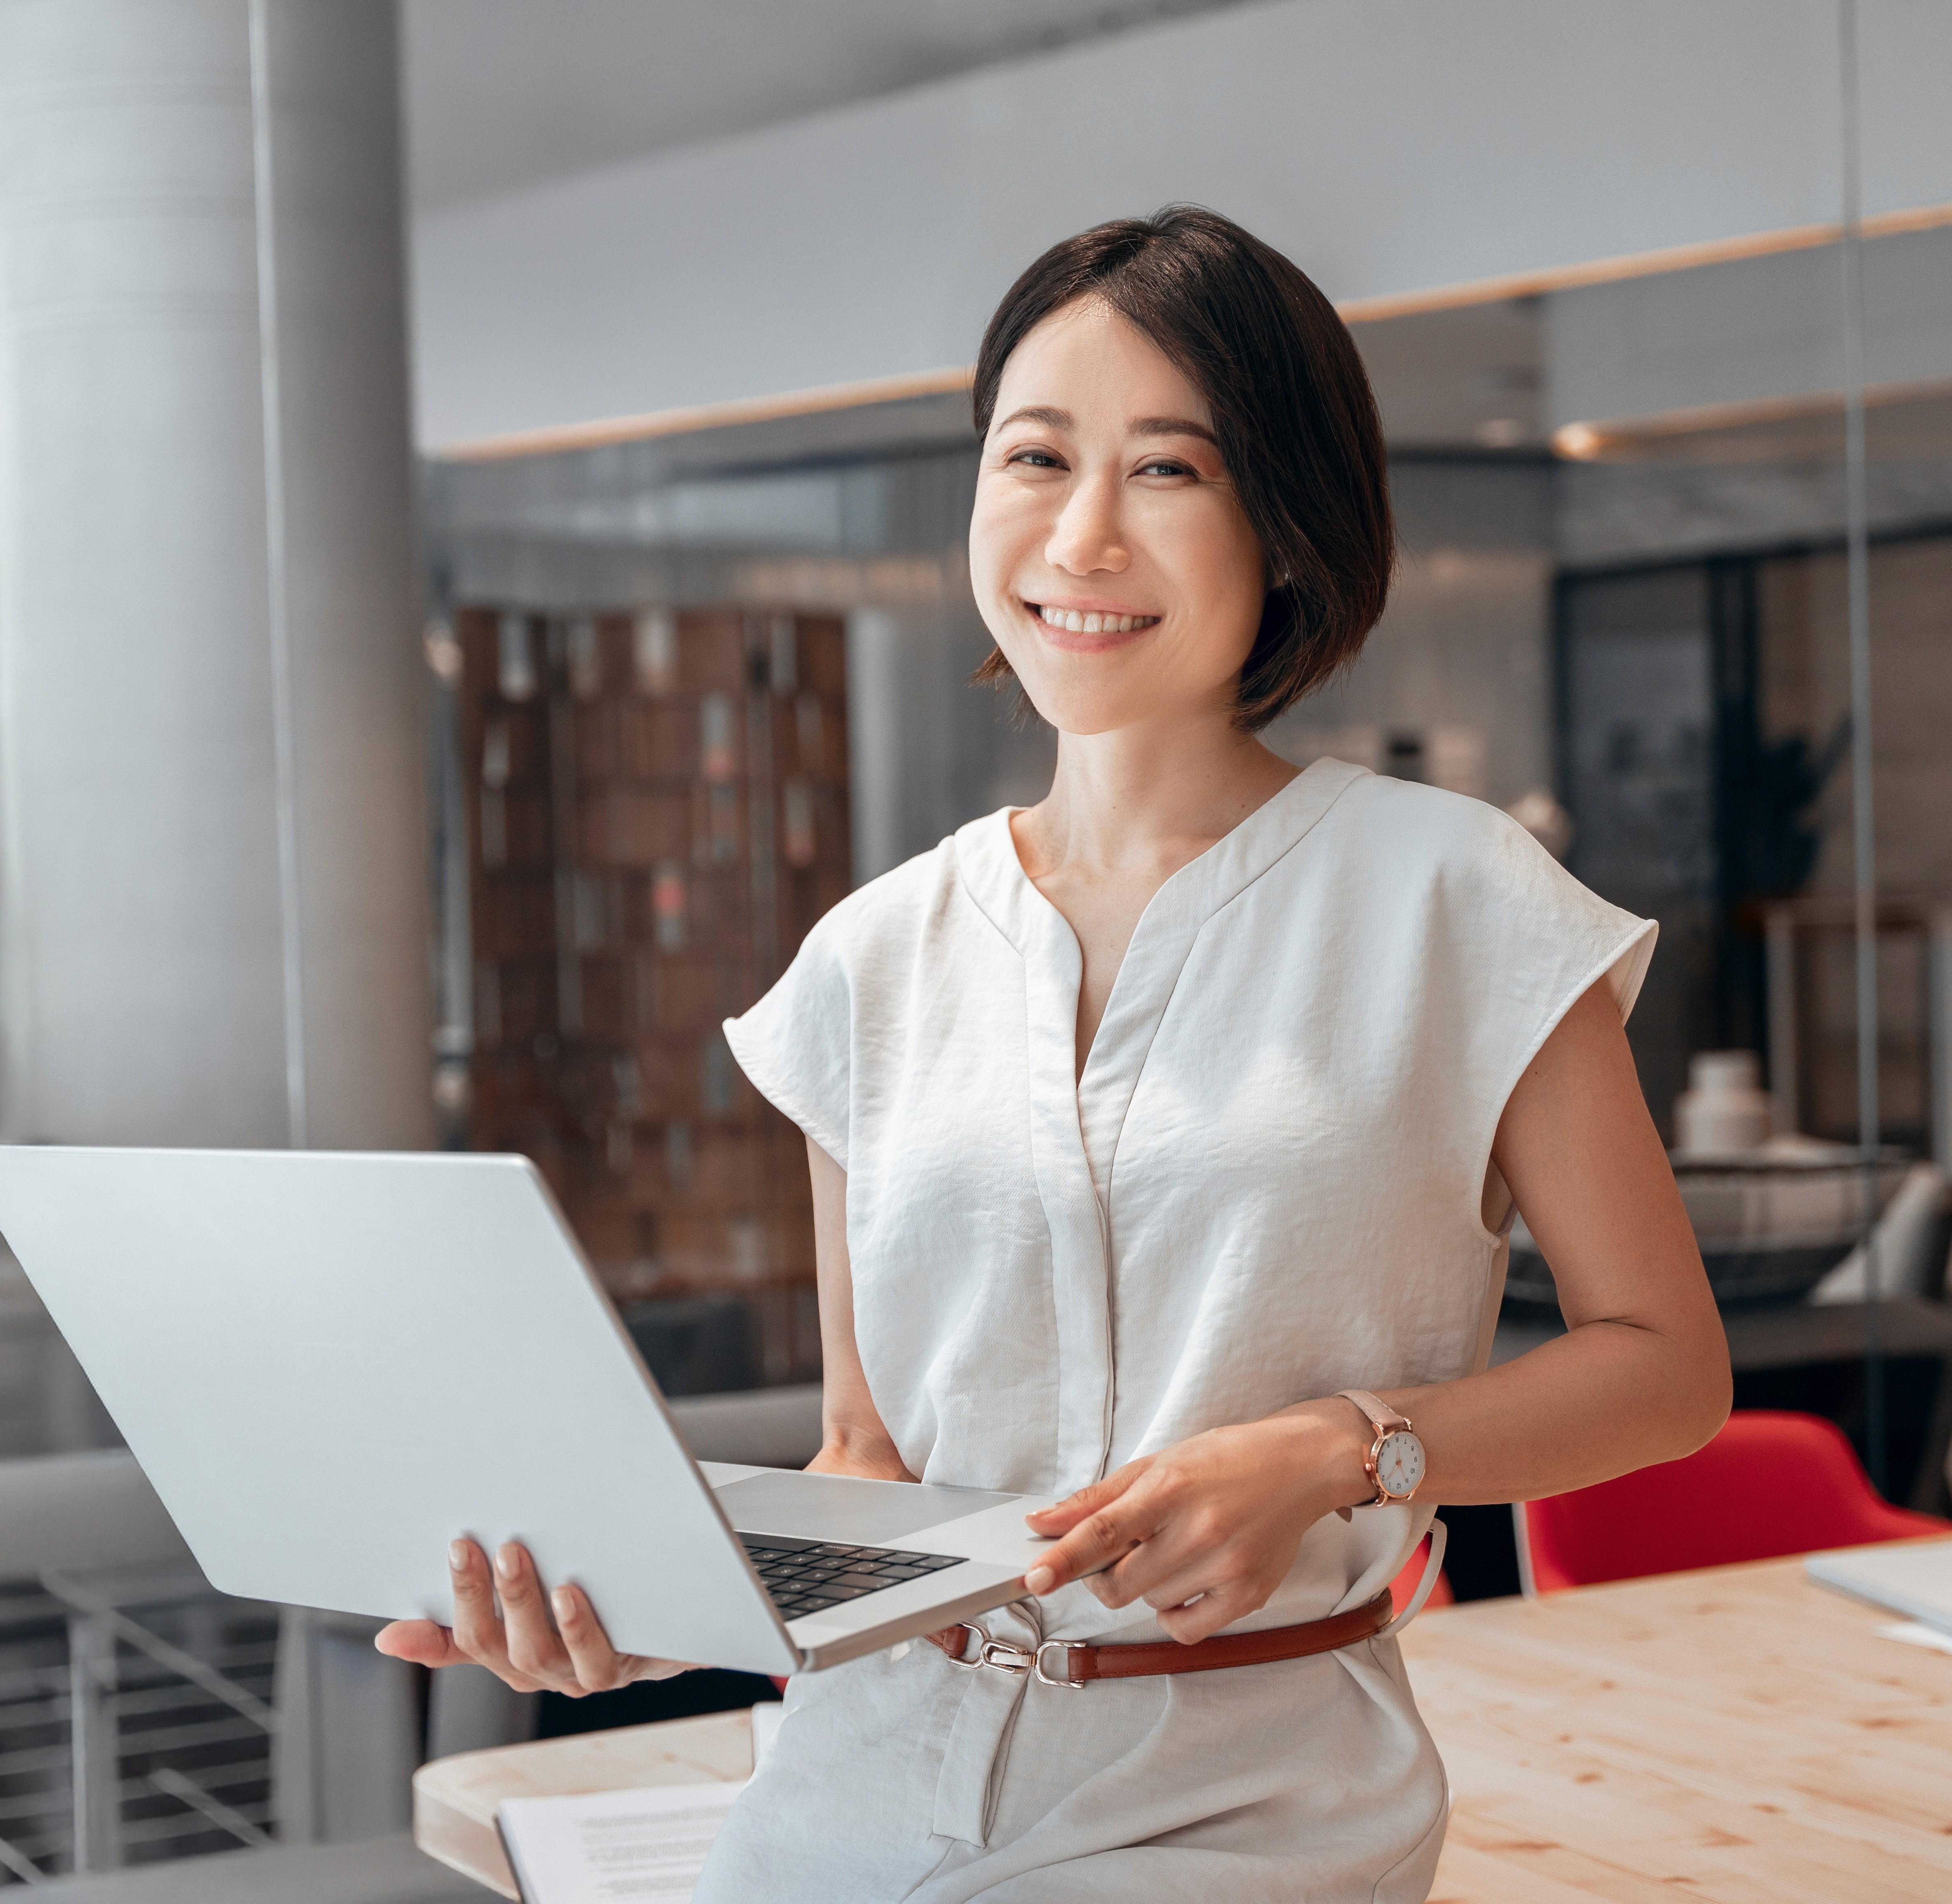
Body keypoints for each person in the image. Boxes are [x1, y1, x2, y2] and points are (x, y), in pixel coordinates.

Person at [378, 205, 1727, 1901]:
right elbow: (872, 1461)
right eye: (1036, 457)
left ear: (1290, 528)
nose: (1082, 535)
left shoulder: (1458, 899)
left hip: (1240, 1797)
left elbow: (1669, 1366)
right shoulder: (874, 955)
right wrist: (668, 1612)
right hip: (845, 1789)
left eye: (1169, 471)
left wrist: (1339, 1446)